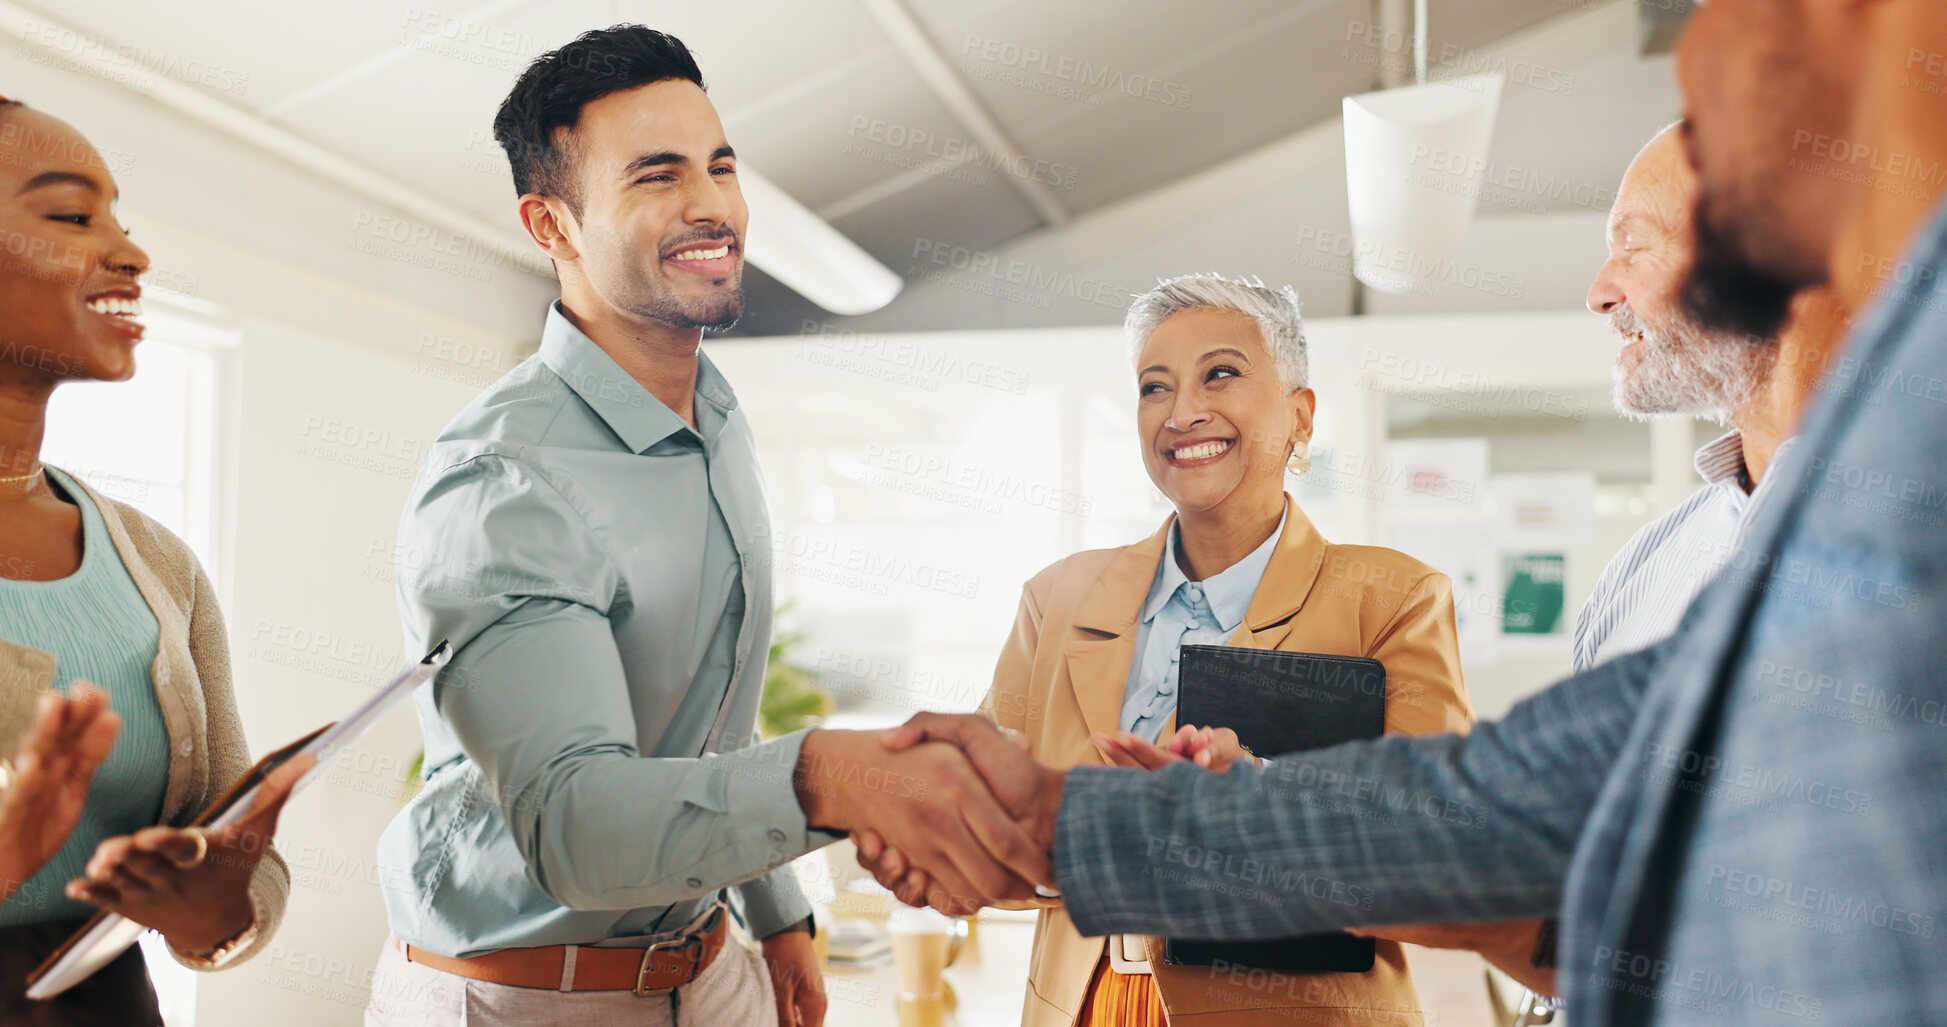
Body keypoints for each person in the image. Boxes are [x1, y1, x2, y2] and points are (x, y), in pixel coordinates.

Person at [865, 1, 1947, 1023]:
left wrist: (1072, 820)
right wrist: (1093, 819)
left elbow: (1492, 812)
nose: (1708, 48)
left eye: (1778, 26)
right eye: (1154, 383)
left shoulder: (1899, 489)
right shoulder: (1662, 568)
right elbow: (1532, 839)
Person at [367, 27, 1047, 1027]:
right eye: (655, 176)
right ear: (551, 225)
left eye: (719, 166)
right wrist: (832, 774)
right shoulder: (503, 482)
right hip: (521, 998)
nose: (711, 206)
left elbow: (715, 723)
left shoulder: (715, 417)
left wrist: (779, 917)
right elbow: (577, 827)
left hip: (709, 966)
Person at [861, 273, 1473, 1026]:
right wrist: (946, 856)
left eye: (1220, 373)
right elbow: (1006, 826)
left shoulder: (1393, 599)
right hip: (1081, 1005)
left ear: (1299, 415)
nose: (1182, 412)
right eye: (1155, 387)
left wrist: (1253, 804)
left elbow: (1437, 852)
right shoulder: (1055, 598)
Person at [1356, 124, 1854, 997]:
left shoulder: (1899, 540)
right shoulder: (1644, 570)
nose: (1597, 292)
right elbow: (1596, 910)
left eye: (1632, 245)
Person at [0, 97, 304, 1025]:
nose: (130, 253)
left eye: (121, 220)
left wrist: (221, 907)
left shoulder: (154, 562)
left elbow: (233, 834)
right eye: (71, 216)